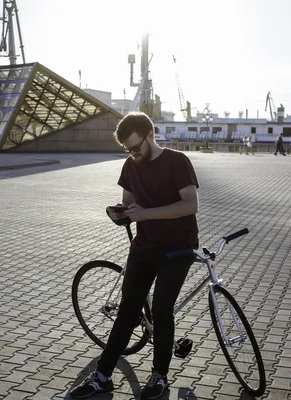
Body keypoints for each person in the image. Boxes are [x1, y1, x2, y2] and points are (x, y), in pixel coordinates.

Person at [70, 112, 199, 400]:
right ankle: (103, 376)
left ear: (150, 135)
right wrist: (122, 213)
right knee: (127, 312)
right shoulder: (131, 165)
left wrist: (147, 214)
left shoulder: (177, 161)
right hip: (144, 246)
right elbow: (129, 202)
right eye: (128, 149)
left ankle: (160, 377)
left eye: (136, 147)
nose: (133, 153)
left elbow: (190, 204)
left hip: (178, 247)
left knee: (163, 311)